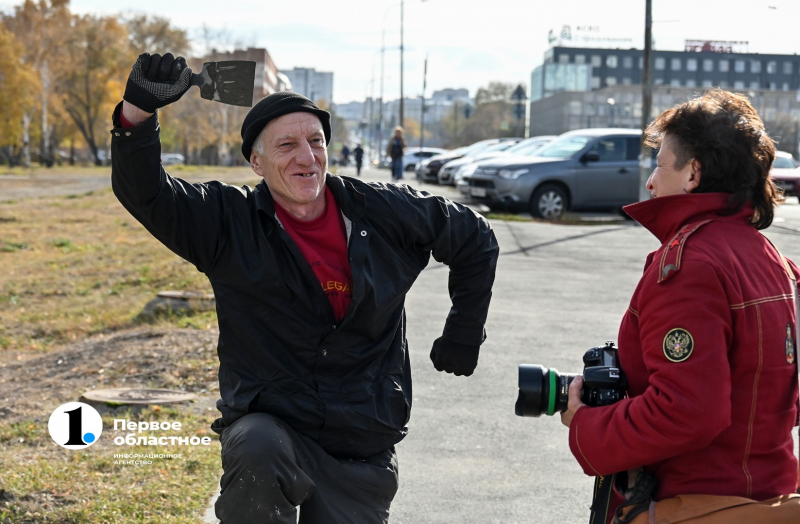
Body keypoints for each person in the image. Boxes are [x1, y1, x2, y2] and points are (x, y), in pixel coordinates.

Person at [111, 52, 499, 524]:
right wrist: (137, 114)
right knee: (256, 446)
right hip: (272, 423)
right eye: (287, 145)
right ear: (256, 162)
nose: (306, 156)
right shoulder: (227, 225)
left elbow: (475, 237)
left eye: (316, 141)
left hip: (361, 438)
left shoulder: (382, 210)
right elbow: (147, 193)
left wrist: (463, 330)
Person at [561, 89, 800, 523]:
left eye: (659, 163)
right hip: (773, 500)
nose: (650, 182)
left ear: (693, 173)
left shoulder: (689, 265)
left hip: (696, 505)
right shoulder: (774, 261)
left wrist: (587, 423)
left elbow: (686, 411)